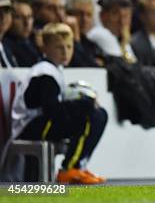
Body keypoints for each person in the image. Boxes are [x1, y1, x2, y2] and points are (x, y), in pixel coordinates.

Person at [11, 22, 107, 184]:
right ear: (45, 48)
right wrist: (86, 104)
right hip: (29, 126)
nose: (66, 52)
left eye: (69, 47)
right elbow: (52, 110)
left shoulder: (53, 70)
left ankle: (78, 166)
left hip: (38, 123)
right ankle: (70, 168)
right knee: (94, 116)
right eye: (59, 47)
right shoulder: (45, 73)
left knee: (96, 114)